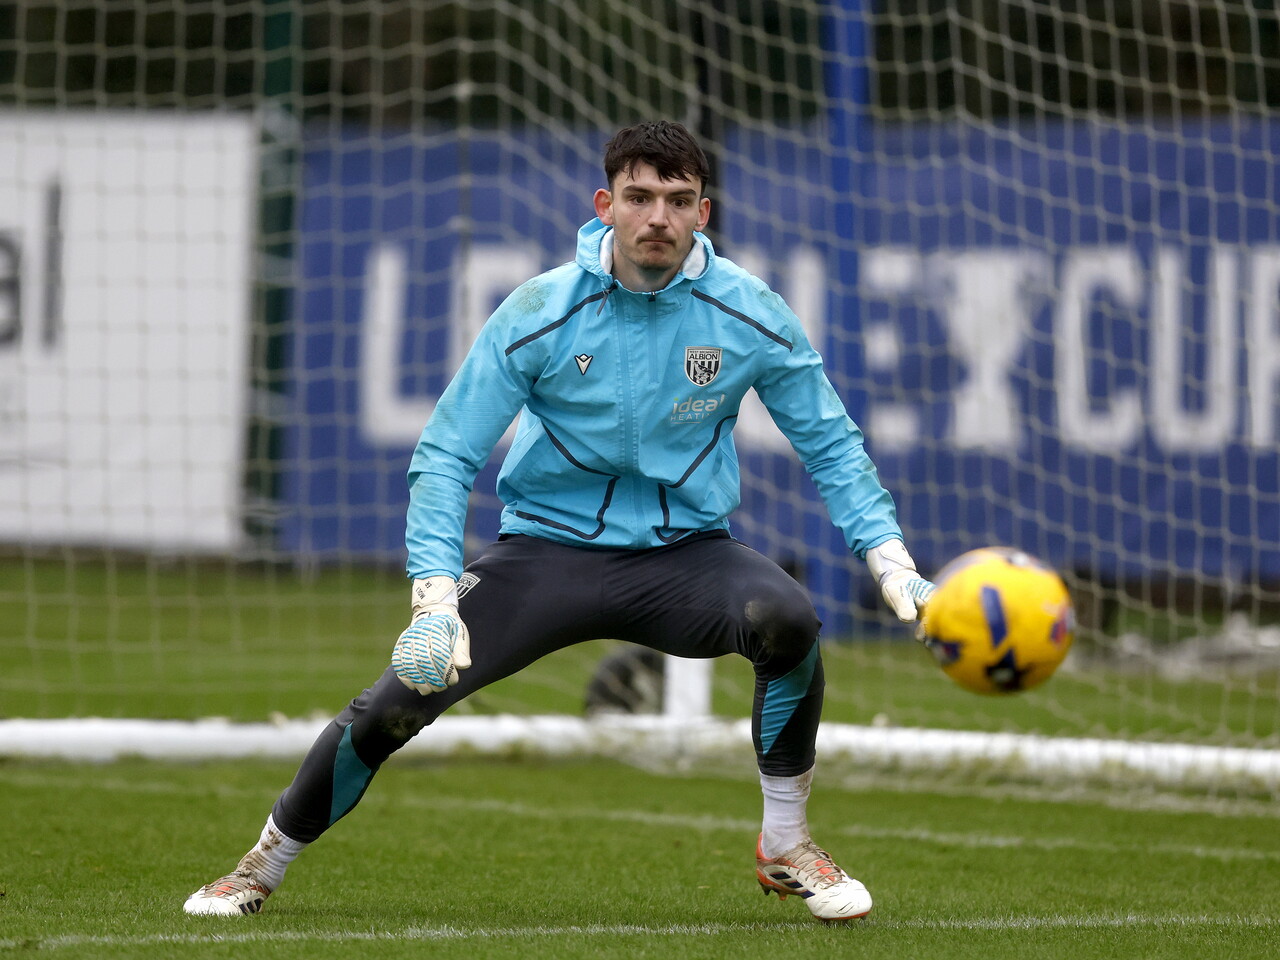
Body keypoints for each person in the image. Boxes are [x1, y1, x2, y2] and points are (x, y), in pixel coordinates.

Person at [183, 120, 935, 923]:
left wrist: (887, 558)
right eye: (640, 198)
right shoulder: (539, 309)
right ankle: (259, 865)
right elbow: (445, 454)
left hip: (686, 556)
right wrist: (434, 599)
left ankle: (786, 845)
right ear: (605, 204)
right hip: (545, 552)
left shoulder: (751, 312)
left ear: (703, 213)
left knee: (787, 618)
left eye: (679, 201)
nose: (658, 219)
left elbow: (832, 443)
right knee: (400, 696)